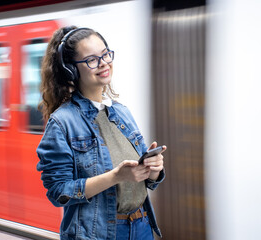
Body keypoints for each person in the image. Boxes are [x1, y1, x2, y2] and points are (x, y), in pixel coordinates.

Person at [36, 26, 166, 240]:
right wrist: (115, 176)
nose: (104, 62)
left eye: (105, 54)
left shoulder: (122, 112)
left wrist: (153, 169)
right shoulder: (62, 122)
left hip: (141, 226)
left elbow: (146, 180)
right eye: (92, 59)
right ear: (72, 70)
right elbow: (59, 191)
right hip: (100, 233)